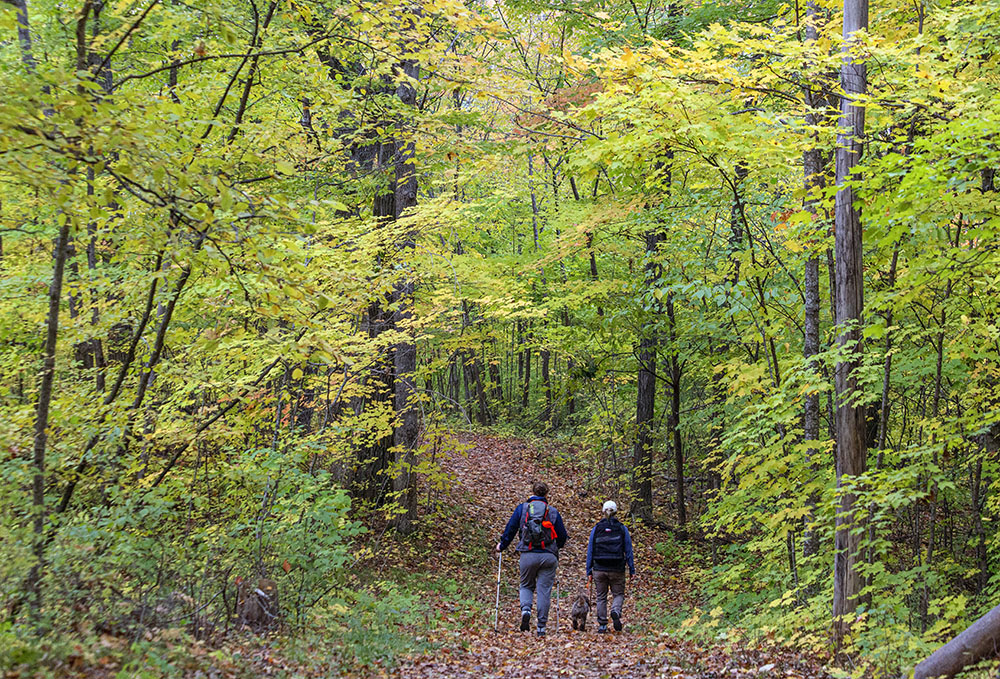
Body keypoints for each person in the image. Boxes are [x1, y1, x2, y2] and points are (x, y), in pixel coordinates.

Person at [495, 481, 569, 636]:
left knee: (526, 585)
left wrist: (502, 545)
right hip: (548, 556)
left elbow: (511, 529)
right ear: (546, 494)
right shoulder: (553, 512)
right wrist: (556, 547)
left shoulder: (522, 509)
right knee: (544, 591)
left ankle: (526, 610)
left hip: (528, 554)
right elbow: (562, 535)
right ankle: (541, 627)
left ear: (532, 492)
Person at [586, 500, 635, 633]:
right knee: (618, 594)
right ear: (616, 512)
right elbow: (628, 550)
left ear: (603, 511)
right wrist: (631, 569)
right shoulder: (622, 528)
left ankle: (602, 625)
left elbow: (590, 550)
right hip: (617, 568)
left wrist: (588, 570)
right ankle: (615, 610)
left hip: (599, 568)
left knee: (601, 596)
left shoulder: (597, 528)